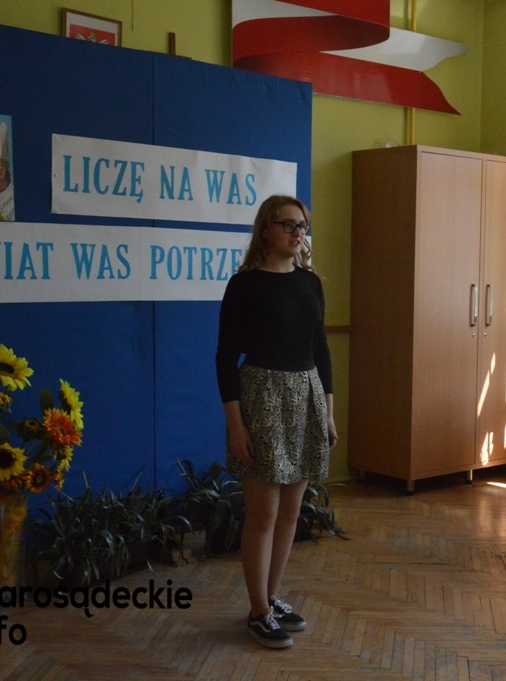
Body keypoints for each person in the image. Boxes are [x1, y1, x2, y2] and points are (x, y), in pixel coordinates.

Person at [215, 195, 337, 649]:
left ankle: (271, 597)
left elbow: (321, 350)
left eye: (302, 226)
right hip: (262, 397)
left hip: (306, 396)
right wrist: (236, 425)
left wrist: (328, 411)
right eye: (288, 225)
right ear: (266, 229)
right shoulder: (244, 285)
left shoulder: (310, 282)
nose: (297, 233)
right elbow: (225, 358)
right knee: (264, 513)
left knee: (290, 512)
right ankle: (257, 612)